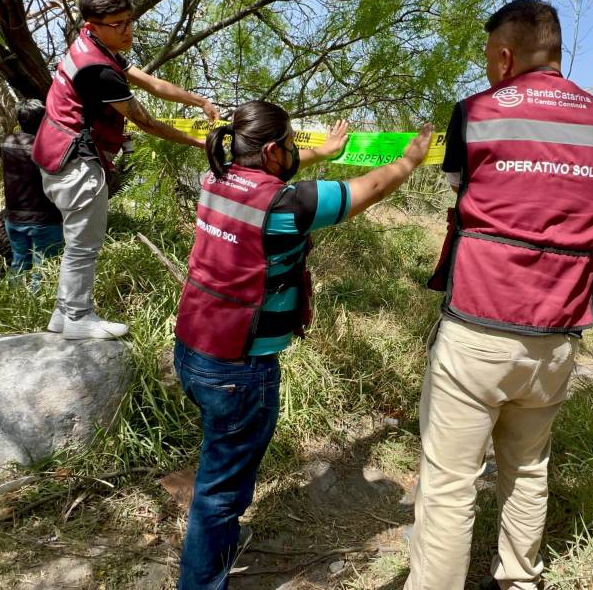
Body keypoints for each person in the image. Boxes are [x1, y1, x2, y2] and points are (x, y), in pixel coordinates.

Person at [406, 0, 593, 590]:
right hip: (558, 333)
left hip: (477, 324)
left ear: (504, 57)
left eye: (487, 57)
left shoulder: (476, 112)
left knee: (449, 482)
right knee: (528, 467)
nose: (485, 68)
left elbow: (460, 186)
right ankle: (520, 581)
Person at [172, 100, 433, 589]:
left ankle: (217, 542)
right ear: (272, 150)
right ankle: (202, 578)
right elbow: (371, 187)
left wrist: (323, 151)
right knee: (219, 492)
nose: (296, 150)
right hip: (239, 368)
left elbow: (266, 173)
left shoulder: (218, 176)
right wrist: (412, 158)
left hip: (192, 347)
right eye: (292, 143)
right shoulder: (289, 206)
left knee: (220, 470)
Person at [32, 0, 220, 340]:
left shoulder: (97, 47)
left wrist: (200, 101)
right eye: (118, 24)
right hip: (75, 162)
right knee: (84, 244)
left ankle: (63, 313)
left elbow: (150, 82)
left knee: (79, 242)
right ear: (91, 24)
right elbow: (145, 120)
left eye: (129, 20)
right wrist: (199, 142)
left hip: (60, 156)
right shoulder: (97, 69)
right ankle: (78, 316)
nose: (128, 29)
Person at [0, 99, 63, 290]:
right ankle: (39, 312)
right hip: (44, 219)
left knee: (18, 264)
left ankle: (13, 305)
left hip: (13, 218)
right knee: (43, 269)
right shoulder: (45, 147)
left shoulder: (6, 143)